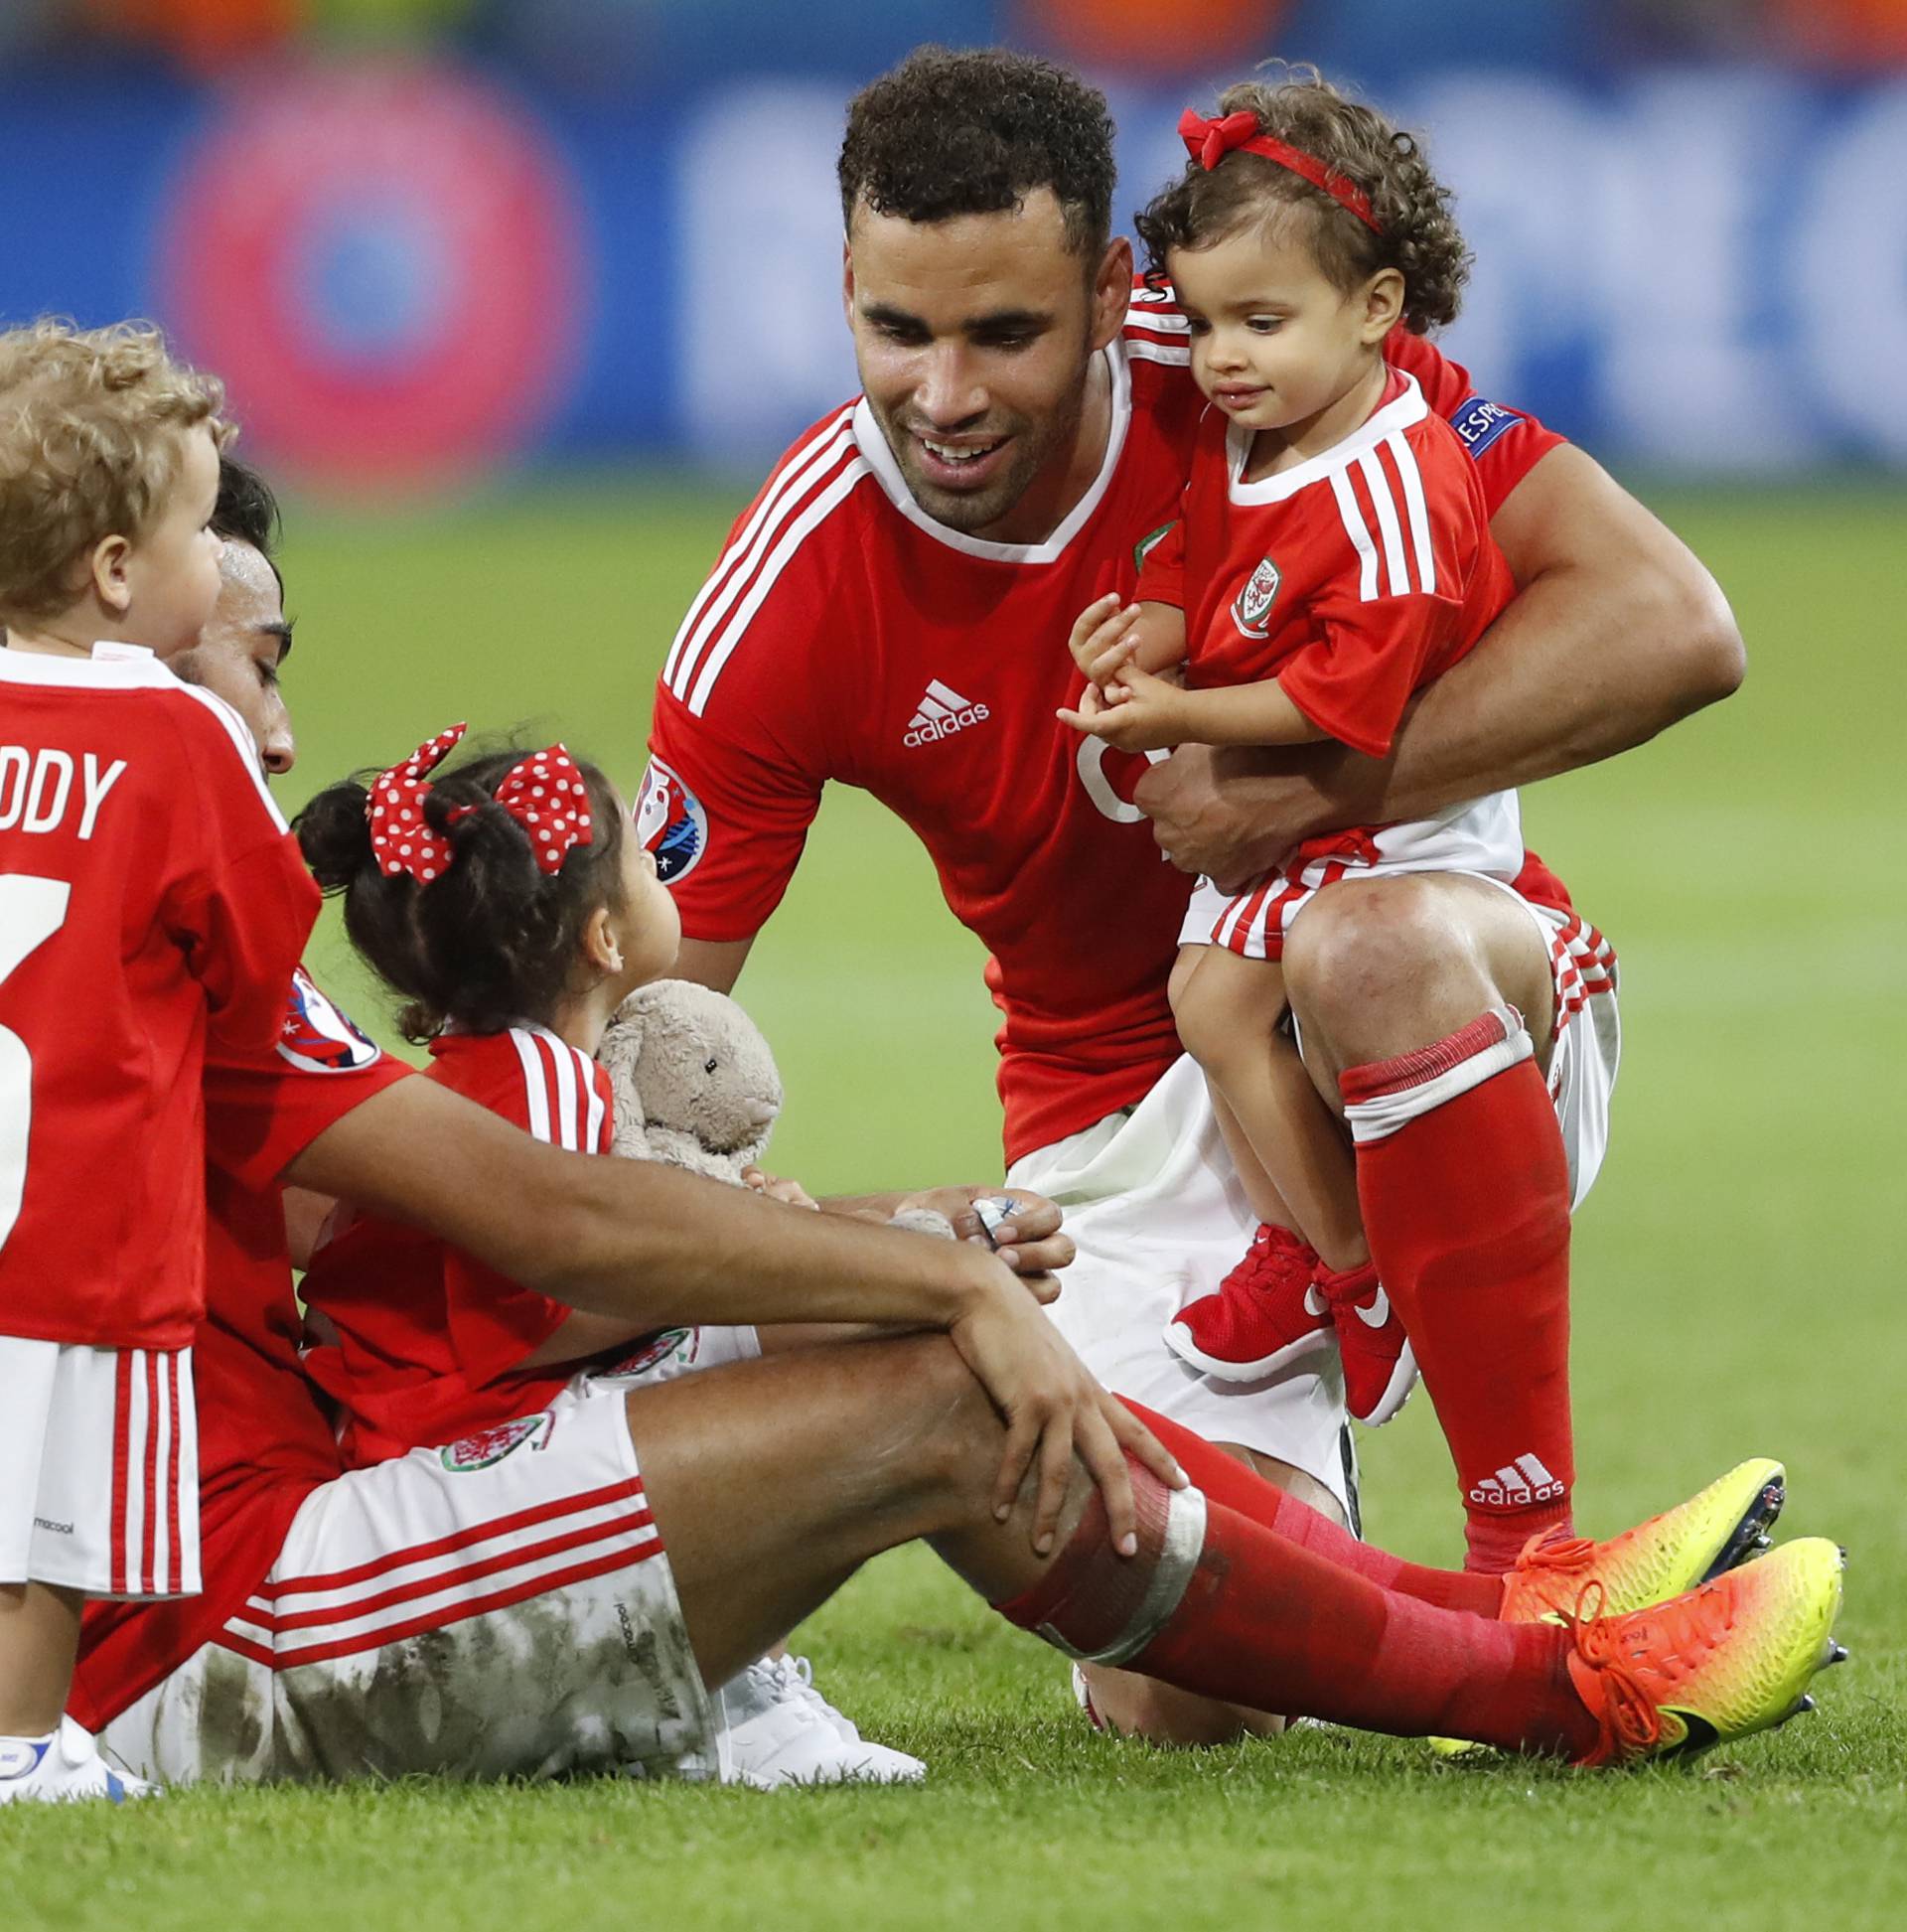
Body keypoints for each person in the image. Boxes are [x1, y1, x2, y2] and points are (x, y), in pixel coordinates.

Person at [70, 462, 1841, 1786]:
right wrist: (914, 1275)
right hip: (225, 1608)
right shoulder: (165, 934)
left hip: (269, 1529)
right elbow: (549, 1235)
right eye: (243, 665)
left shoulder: (145, 913)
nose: (282, 720)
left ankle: (1527, 1631)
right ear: (110, 631)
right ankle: (1555, 1690)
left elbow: (494, 1249)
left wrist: (884, 1245)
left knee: (938, 1366)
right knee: (950, 1389)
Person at [639, 45, 1721, 1736]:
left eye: (1006, 333)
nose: (944, 393)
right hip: (1110, 1134)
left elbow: (1674, 625)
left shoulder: (1261, 367)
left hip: (1438, 990)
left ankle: (1536, 1561)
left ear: (1112, 289)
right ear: (844, 287)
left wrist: (1305, 787)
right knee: (1177, 1704)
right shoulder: (790, 592)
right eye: (897, 332)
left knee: (1359, 944)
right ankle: (1395, 1543)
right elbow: (651, 1033)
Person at [293, 724, 921, 1782]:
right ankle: (739, 1702)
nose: (658, 864)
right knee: (789, 1360)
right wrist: (731, 1251)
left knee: (764, 1320)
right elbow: (550, 1308)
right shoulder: (536, 1078)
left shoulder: (507, 1068)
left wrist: (720, 1227)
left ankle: (706, 1695)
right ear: (605, 941)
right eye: (638, 854)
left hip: (420, 1429)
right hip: (439, 1448)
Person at [1057, 75, 1519, 1432]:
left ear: (1377, 308)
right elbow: (1205, 573)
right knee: (1203, 1002)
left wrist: (1175, 719)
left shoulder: (1389, 478)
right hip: (1302, 807)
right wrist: (1141, 631)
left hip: (1398, 825)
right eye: (1201, 323)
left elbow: (1342, 705)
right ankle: (1321, 1255)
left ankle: (1356, 1268)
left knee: (1217, 1005)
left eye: (1262, 321)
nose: (1221, 356)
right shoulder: (1247, 435)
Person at [0, 327, 320, 1803]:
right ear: (119, 570)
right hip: (81, 1236)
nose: (215, 554)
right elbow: (261, 947)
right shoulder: (178, 736)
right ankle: (22, 1752)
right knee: (43, 1535)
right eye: (201, 526)